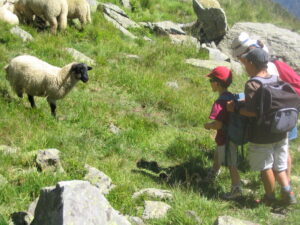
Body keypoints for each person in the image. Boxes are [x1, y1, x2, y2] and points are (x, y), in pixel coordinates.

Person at [227, 48, 297, 205]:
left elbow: (252, 112)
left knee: (265, 166)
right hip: (281, 131)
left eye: (246, 63)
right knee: (279, 166)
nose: (245, 66)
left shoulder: (252, 84)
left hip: (263, 134)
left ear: (251, 63)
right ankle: (288, 192)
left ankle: (269, 198)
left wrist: (235, 108)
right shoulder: (275, 79)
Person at [203, 66, 242, 199]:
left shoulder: (220, 102)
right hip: (233, 135)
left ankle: (236, 188)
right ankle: (213, 173)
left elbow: (218, 124)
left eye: (211, 81)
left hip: (226, 138)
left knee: (231, 164)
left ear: (217, 83)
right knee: (218, 154)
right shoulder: (231, 96)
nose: (210, 84)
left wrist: (208, 126)